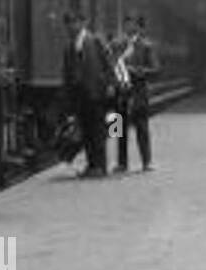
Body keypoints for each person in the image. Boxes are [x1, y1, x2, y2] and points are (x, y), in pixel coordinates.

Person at [62, 11, 117, 178]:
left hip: (96, 93)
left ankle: (100, 166)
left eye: (74, 22)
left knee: (98, 130)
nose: (72, 26)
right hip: (80, 96)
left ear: (83, 23)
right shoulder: (69, 46)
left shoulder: (95, 40)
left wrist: (110, 85)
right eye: (69, 24)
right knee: (86, 131)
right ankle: (91, 165)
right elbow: (67, 72)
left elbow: (108, 64)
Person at [121, 13, 160, 170]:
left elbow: (156, 69)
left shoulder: (146, 46)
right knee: (116, 129)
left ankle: (147, 161)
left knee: (142, 128)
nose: (127, 26)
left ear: (138, 26)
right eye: (126, 23)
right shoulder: (117, 44)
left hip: (139, 93)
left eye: (130, 23)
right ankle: (121, 163)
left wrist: (136, 71)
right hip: (120, 94)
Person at [110, 19, 134, 172]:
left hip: (120, 102)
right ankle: (120, 162)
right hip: (119, 102)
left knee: (118, 134)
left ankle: (121, 162)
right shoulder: (118, 63)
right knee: (117, 134)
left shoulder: (118, 63)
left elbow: (124, 81)